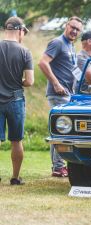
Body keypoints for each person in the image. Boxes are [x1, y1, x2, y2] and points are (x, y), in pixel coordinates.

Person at [38, 16, 83, 177]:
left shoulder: (71, 46)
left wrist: (82, 84)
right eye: (73, 27)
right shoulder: (57, 43)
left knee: (65, 131)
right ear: (66, 25)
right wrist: (56, 83)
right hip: (57, 94)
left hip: (69, 95)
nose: (74, 31)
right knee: (60, 131)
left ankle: (60, 165)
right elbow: (43, 63)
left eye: (78, 29)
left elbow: (72, 69)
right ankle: (58, 167)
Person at [0, 16, 34, 185]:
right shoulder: (24, 52)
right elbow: (30, 81)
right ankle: (15, 177)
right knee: (16, 140)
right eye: (24, 33)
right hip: (16, 100)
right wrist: (16, 82)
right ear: (20, 30)